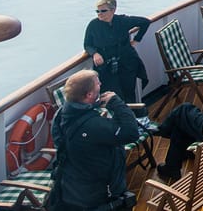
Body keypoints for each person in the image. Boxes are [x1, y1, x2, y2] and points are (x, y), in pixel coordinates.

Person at [49, 70, 140, 211]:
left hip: (72, 187)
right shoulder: (93, 126)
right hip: (99, 194)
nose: (101, 84)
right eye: (98, 84)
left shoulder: (61, 115)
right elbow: (131, 133)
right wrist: (116, 103)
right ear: (89, 95)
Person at [83, 0, 150, 118]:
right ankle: (117, 119)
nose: (100, 14)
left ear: (113, 10)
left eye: (103, 11)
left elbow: (145, 22)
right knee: (110, 93)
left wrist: (136, 40)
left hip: (126, 62)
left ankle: (134, 118)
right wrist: (95, 54)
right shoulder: (93, 25)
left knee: (129, 91)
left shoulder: (122, 21)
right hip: (106, 65)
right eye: (97, 11)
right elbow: (87, 44)